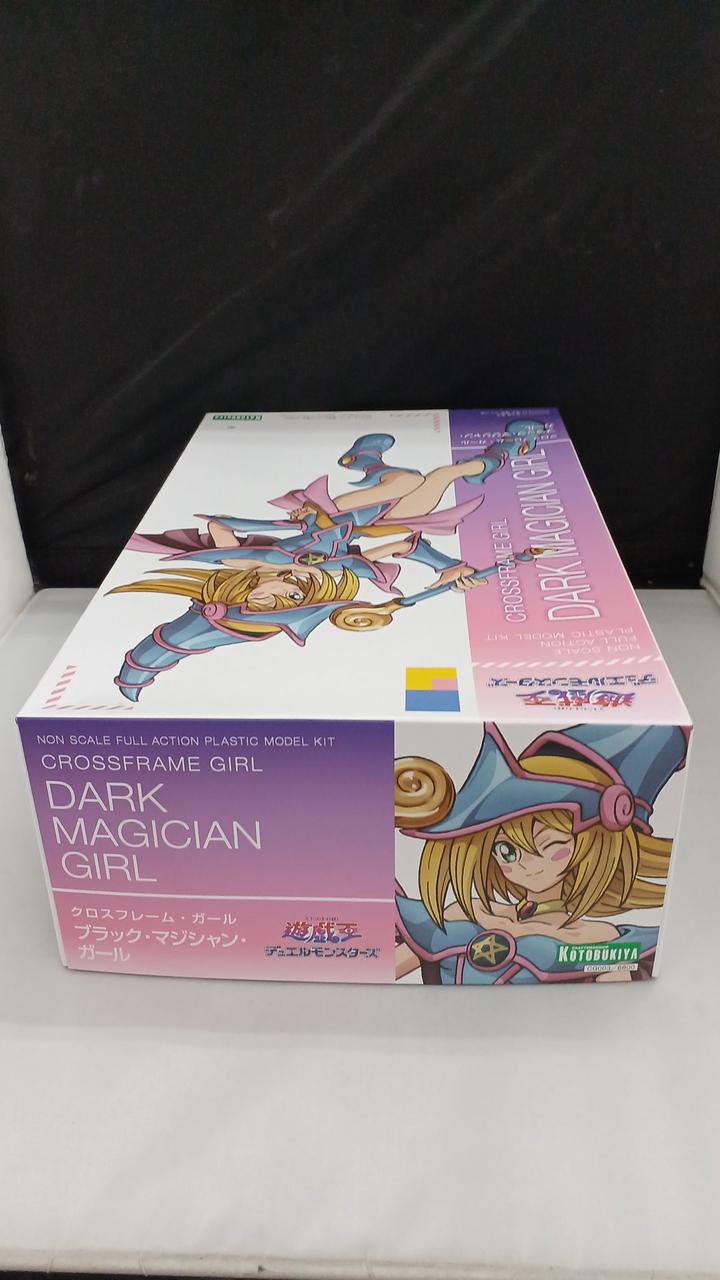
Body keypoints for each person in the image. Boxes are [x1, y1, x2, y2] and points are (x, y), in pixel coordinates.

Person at [394, 723, 687, 984]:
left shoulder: (598, 940)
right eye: (506, 850)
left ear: (595, 850)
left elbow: (611, 1009)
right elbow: (388, 965)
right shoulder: (464, 913)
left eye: (551, 845)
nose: (526, 864)